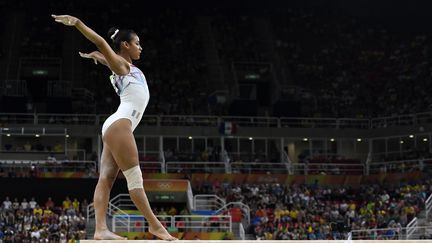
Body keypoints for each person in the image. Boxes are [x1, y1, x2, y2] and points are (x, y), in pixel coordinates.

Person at [51, 14, 177, 241]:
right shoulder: (121, 64)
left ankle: (100, 230)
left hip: (114, 126)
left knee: (106, 179)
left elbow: (103, 54)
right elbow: (101, 44)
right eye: (137, 43)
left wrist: (95, 57)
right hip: (121, 125)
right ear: (125, 45)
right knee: (134, 179)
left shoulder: (124, 65)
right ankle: (155, 226)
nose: (141, 47)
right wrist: (78, 24)